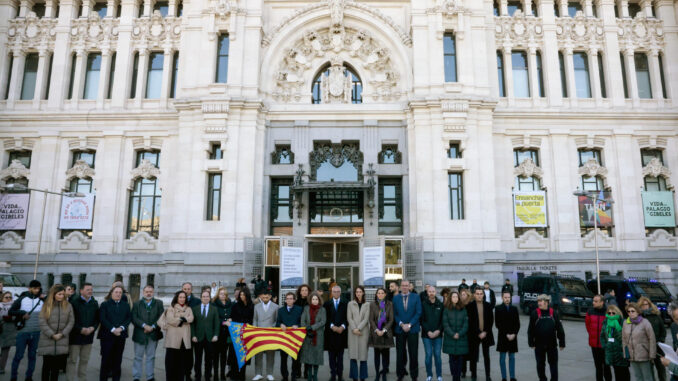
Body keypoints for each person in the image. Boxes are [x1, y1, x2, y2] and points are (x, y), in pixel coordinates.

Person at [38, 284, 74, 381]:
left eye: (63, 294)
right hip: (48, 339)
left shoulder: (68, 306)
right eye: (59, 294)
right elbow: (42, 321)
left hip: (61, 340)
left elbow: (71, 321)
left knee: (56, 368)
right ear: (53, 294)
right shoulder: (46, 305)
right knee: (46, 367)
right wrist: (52, 334)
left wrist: (62, 334)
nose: (61, 296)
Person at [9, 279, 43, 381]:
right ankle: (13, 377)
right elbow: (11, 311)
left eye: (38, 288)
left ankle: (29, 377)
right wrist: (22, 313)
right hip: (23, 332)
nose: (37, 290)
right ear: (29, 288)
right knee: (18, 356)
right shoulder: (21, 299)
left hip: (36, 333)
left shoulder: (41, 301)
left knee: (32, 356)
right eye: (35, 288)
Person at [527, 294, 565, 381]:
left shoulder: (553, 313)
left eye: (541, 301)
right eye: (538, 301)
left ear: (547, 302)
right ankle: (542, 379)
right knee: (540, 364)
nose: (539, 303)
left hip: (552, 345)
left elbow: (559, 328)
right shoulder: (535, 313)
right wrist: (531, 342)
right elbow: (530, 330)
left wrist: (562, 342)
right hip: (539, 345)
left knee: (553, 364)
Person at [98, 284, 132, 381]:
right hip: (107, 336)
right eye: (116, 292)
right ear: (111, 293)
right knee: (105, 361)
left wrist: (121, 328)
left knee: (117, 361)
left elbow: (128, 318)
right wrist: (113, 329)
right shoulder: (105, 305)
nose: (118, 294)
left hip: (120, 336)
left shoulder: (125, 305)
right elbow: (103, 319)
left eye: (120, 292)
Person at [67, 282, 99, 381]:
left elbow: (97, 319)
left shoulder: (94, 303)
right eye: (88, 289)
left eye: (91, 289)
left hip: (88, 338)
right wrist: (80, 329)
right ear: (81, 291)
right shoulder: (74, 303)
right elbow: (70, 320)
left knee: (84, 361)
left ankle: (82, 379)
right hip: (75, 338)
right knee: (72, 361)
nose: (90, 291)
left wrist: (93, 328)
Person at [132, 284, 164, 381]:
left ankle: (150, 376)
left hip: (153, 334)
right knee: (138, 357)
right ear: (143, 292)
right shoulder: (137, 304)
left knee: (151, 357)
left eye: (150, 292)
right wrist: (144, 326)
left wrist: (153, 327)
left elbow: (161, 317)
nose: (148, 293)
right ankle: (136, 376)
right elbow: (134, 317)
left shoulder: (159, 303)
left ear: (153, 292)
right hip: (140, 334)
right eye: (147, 291)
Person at [393, 279, 422, 381]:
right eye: (403, 285)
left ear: (409, 286)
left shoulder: (416, 297)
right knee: (400, 353)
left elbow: (418, 312)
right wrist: (401, 324)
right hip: (400, 330)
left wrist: (409, 325)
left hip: (413, 329)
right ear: (400, 287)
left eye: (406, 285)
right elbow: (394, 314)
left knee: (413, 353)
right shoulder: (395, 298)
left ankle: (414, 375)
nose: (405, 287)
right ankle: (400, 374)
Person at [163, 290, 195, 381]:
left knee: (182, 363)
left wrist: (179, 318)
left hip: (184, 340)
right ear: (177, 298)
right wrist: (183, 319)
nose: (182, 299)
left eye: (184, 297)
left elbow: (191, 318)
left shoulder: (188, 308)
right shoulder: (171, 308)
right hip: (172, 339)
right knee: (171, 363)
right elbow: (170, 320)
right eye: (180, 297)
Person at [622, 302, 656, 381]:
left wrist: (652, 355)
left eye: (632, 311)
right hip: (632, 355)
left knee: (647, 377)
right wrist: (625, 353)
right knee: (637, 377)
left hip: (644, 355)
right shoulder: (625, 323)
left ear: (637, 311)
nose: (630, 313)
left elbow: (652, 339)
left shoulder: (645, 322)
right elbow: (624, 339)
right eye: (628, 311)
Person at [191, 289, 220, 381]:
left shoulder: (214, 309)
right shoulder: (195, 309)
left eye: (207, 296)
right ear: (201, 298)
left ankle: (207, 376)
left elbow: (217, 323)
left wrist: (216, 335)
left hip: (210, 338)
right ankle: (197, 376)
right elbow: (192, 324)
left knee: (209, 359)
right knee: (198, 359)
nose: (205, 298)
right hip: (198, 338)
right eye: (203, 296)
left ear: (210, 298)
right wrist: (193, 335)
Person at [467, 287, 495, 381]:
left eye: (481, 293)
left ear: (483, 295)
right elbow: (470, 322)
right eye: (477, 294)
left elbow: (491, 320)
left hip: (486, 335)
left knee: (486, 356)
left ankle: (488, 375)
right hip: (474, 335)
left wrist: (485, 332)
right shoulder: (470, 306)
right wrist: (479, 332)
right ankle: (473, 375)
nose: (479, 295)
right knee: (473, 356)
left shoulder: (488, 305)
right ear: (474, 295)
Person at [228, 286, 254, 381]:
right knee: (234, 356)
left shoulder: (252, 306)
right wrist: (230, 321)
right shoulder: (235, 305)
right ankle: (234, 375)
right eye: (240, 294)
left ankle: (242, 376)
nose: (242, 296)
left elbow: (252, 319)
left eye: (243, 294)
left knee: (243, 356)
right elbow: (231, 317)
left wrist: (248, 324)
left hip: (246, 334)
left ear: (247, 295)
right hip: (236, 334)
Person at [639, 296, 667, 381]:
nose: (645, 306)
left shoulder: (656, 316)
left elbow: (663, 330)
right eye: (643, 305)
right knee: (648, 371)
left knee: (661, 369)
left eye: (646, 304)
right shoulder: (639, 318)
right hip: (645, 348)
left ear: (649, 304)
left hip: (658, 346)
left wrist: (660, 341)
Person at [300, 291, 327, 381]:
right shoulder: (306, 308)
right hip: (307, 336)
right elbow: (302, 320)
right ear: (310, 300)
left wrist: (312, 327)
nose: (315, 301)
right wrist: (307, 328)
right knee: (308, 357)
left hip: (318, 336)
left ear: (319, 300)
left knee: (316, 357)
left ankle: (315, 375)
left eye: (316, 299)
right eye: (313, 299)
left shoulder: (322, 310)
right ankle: (309, 375)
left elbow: (323, 321)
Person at [443, 291, 469, 381]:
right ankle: (455, 376)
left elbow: (466, 324)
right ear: (450, 298)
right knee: (452, 360)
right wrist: (453, 334)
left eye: (456, 297)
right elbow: (445, 324)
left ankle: (457, 378)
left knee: (460, 361)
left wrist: (459, 333)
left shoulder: (463, 309)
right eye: (453, 297)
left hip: (461, 338)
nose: (455, 298)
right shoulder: (446, 309)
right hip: (450, 338)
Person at [277, 292, 303, 381]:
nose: (289, 300)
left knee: (295, 359)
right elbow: (277, 323)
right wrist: (280, 325)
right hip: (284, 339)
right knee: (283, 359)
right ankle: (284, 376)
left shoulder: (299, 309)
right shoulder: (281, 310)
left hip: (295, 339)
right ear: (285, 300)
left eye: (291, 298)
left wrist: (298, 326)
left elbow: (302, 322)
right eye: (287, 298)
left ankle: (293, 376)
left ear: (294, 300)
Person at [369, 287, 394, 381]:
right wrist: (376, 330)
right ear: (376, 294)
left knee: (385, 356)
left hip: (386, 333)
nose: (380, 294)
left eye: (382, 293)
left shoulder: (389, 304)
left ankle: (384, 373)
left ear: (385, 294)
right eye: (378, 293)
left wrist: (384, 330)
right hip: (376, 333)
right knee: (377, 356)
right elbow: (371, 319)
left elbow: (391, 319)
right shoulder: (372, 304)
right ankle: (377, 374)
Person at [253, 289, 278, 381]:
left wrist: (273, 327)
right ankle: (258, 373)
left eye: (267, 297)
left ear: (270, 297)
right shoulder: (256, 306)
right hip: (259, 333)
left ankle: (270, 373)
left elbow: (277, 320)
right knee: (258, 354)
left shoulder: (276, 307)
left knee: (270, 354)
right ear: (260, 297)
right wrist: (255, 330)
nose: (265, 298)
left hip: (271, 334)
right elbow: (255, 319)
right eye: (263, 297)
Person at [600, 305, 630, 381]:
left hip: (621, 352)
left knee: (624, 373)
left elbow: (626, 337)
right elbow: (602, 336)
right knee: (617, 373)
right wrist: (605, 346)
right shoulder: (606, 322)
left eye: (613, 313)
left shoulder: (623, 322)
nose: (611, 314)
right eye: (609, 313)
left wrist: (621, 347)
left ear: (617, 313)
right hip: (611, 352)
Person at [324, 285, 348, 381]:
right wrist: (332, 326)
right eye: (334, 291)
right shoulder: (327, 304)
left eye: (338, 291)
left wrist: (343, 326)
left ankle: (340, 375)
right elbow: (325, 318)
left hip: (342, 334)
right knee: (331, 357)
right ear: (331, 292)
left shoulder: (346, 303)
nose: (336, 293)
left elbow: (348, 317)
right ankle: (333, 374)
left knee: (340, 357)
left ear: (340, 293)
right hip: (331, 334)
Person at [494, 292, 519, 381]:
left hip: (513, 337)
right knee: (502, 358)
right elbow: (498, 324)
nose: (507, 299)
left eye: (509, 297)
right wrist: (506, 334)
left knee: (512, 357)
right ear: (502, 298)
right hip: (503, 337)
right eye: (505, 297)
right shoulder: (498, 308)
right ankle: (504, 377)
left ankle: (512, 377)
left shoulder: (514, 309)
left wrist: (514, 334)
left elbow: (517, 324)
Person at [586, 295, 612, 381]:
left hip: (605, 344)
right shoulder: (590, 312)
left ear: (602, 302)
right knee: (598, 367)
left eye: (596, 301)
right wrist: (592, 335)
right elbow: (588, 326)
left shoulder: (608, 312)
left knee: (606, 367)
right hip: (594, 344)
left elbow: (612, 328)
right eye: (593, 301)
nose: (593, 302)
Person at [347, 286, 370, 381]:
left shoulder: (367, 304)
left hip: (363, 332)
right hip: (352, 332)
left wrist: (358, 328)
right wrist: (354, 329)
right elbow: (349, 318)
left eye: (360, 292)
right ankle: (354, 377)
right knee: (353, 355)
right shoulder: (350, 304)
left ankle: (363, 377)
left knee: (363, 356)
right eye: (357, 292)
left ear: (363, 293)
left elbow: (366, 319)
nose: (358, 293)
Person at [421, 285, 444, 381]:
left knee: (437, 355)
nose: (431, 293)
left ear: (436, 292)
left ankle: (439, 375)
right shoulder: (423, 304)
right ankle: (429, 375)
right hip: (426, 335)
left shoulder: (440, 304)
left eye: (433, 291)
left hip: (438, 335)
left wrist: (438, 331)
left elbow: (443, 320)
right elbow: (422, 320)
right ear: (427, 292)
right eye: (429, 291)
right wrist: (429, 331)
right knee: (428, 355)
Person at [213, 286, 232, 381]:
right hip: (217, 332)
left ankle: (222, 374)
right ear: (218, 294)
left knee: (224, 355)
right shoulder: (214, 304)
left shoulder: (229, 303)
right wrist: (224, 322)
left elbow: (232, 314)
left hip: (226, 334)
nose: (223, 295)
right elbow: (214, 318)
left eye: (224, 294)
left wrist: (231, 319)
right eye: (221, 293)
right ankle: (216, 374)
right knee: (216, 355)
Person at [296, 284, 312, 379]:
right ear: (300, 291)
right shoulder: (296, 302)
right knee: (298, 353)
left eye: (306, 290)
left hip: (308, 330)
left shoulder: (311, 302)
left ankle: (307, 372)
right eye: (303, 290)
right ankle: (298, 372)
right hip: (298, 330)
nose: (304, 292)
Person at [0, 291, 17, 375]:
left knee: (5, 351)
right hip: (1, 328)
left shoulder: (14, 307)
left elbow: (17, 317)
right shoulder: (0, 305)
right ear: (2, 298)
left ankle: (1, 368)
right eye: (6, 297)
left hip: (9, 331)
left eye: (10, 297)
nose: (8, 299)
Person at [458, 288, 472, 378]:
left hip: (470, 332)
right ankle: (463, 371)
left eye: (464, 294)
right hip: (461, 332)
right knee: (462, 354)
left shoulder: (471, 305)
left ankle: (472, 371)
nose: (463, 296)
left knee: (471, 353)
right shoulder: (459, 306)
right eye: (461, 294)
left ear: (468, 295)